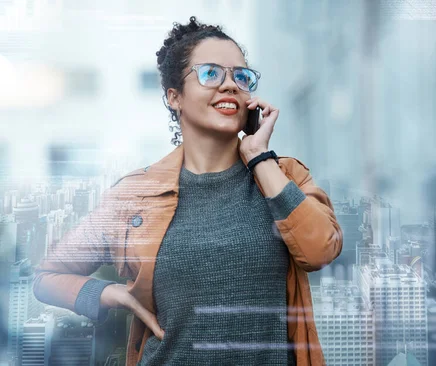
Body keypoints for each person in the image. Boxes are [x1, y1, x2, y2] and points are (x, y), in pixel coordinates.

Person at [33, 16, 343, 366]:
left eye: (241, 76)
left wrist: (258, 156)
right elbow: (46, 277)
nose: (230, 85)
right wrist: (112, 293)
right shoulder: (138, 195)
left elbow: (320, 251)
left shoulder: (283, 176)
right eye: (211, 73)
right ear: (174, 96)